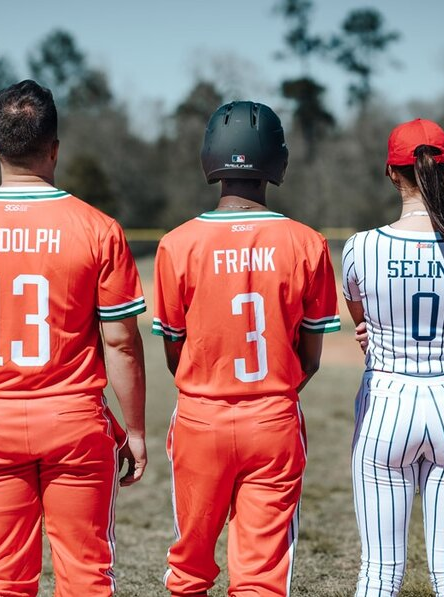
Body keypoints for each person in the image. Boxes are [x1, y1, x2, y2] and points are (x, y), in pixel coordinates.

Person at [0, 79, 147, 596]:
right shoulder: (97, 227)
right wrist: (135, 428)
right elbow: (121, 343)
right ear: (55, 149)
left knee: (3, 578)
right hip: (74, 420)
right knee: (85, 576)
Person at [153, 100, 341, 596]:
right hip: (273, 419)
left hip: (200, 419)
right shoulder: (308, 243)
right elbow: (312, 357)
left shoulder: (177, 244)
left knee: (190, 566)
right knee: (261, 575)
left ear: (210, 158)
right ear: (277, 162)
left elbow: (174, 351)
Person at [341, 118, 444, 597]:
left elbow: (362, 321)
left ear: (392, 173)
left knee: (379, 574)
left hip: (387, 399)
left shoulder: (362, 247)